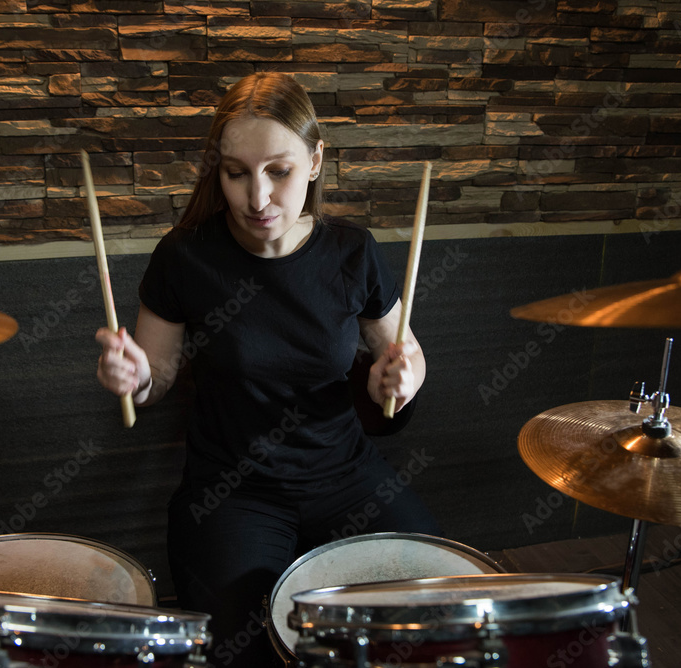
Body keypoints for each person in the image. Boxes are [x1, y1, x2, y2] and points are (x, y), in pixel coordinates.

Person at [96, 71, 441, 668]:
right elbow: (157, 377)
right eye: (236, 173)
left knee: (430, 609)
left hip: (346, 475)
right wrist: (134, 378)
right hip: (233, 490)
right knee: (238, 648)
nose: (257, 198)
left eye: (278, 171)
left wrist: (403, 382)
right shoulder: (185, 257)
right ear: (218, 170)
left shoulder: (352, 251)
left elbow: (405, 354)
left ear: (314, 161)